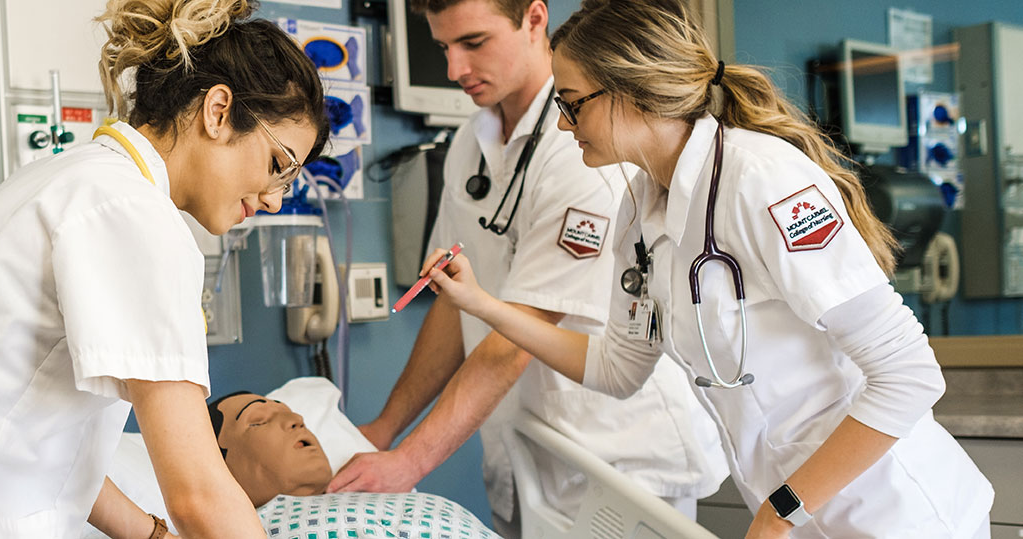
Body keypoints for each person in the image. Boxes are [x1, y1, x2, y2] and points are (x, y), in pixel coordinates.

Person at [416, 0, 994, 536]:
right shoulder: (640, 208)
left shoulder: (760, 180)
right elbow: (617, 370)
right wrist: (481, 303)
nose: (564, 125)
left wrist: (783, 508)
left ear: (632, 91)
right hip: (802, 513)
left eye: (570, 102)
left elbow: (909, 375)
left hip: (897, 513)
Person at [0, 0, 329, 537]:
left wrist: (152, 535)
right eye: (279, 165)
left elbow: (44, 444)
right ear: (217, 110)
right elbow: (198, 494)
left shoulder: (75, 180)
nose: (276, 199)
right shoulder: (134, 214)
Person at [329, 0, 724, 533]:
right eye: (443, 47)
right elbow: (452, 302)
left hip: (619, 458)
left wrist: (411, 460)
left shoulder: (588, 150)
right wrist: (384, 429)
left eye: (474, 43)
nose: (454, 70)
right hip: (529, 452)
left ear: (535, 19)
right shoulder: (472, 141)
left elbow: (522, 333)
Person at [210, 392, 504, 539]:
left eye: (289, 412)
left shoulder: (382, 493)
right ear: (218, 466)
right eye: (258, 421)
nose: (296, 419)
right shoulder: (244, 530)